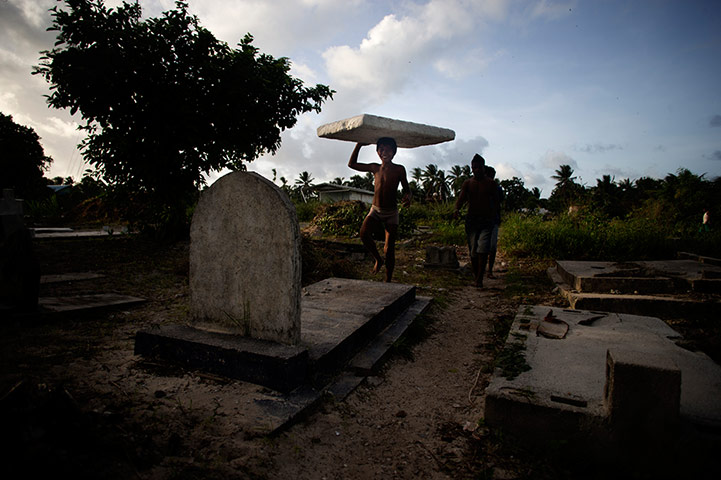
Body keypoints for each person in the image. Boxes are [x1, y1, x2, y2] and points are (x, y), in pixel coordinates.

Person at [348, 137, 411, 282]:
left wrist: (408, 197)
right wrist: (359, 145)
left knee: (389, 249)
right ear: (377, 152)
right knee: (363, 234)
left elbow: (407, 190)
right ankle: (378, 259)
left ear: (394, 152)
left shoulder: (399, 170)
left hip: (391, 213)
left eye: (388, 149)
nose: (384, 152)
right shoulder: (374, 167)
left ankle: (388, 280)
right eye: (381, 149)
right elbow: (351, 164)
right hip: (375, 210)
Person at [454, 154, 500, 288]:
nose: (477, 170)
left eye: (479, 167)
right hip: (472, 221)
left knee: (483, 249)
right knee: (473, 251)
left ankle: (479, 279)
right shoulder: (468, 183)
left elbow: (496, 203)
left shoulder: (491, 184)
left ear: (483, 168)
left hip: (486, 221)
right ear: (472, 168)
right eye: (474, 167)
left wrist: (495, 218)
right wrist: (456, 209)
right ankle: (476, 275)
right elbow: (461, 199)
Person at [484, 165, 504, 279]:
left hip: (492, 220)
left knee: (492, 247)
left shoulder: (497, 189)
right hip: (482, 220)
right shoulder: (478, 186)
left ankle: (489, 270)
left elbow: (498, 204)